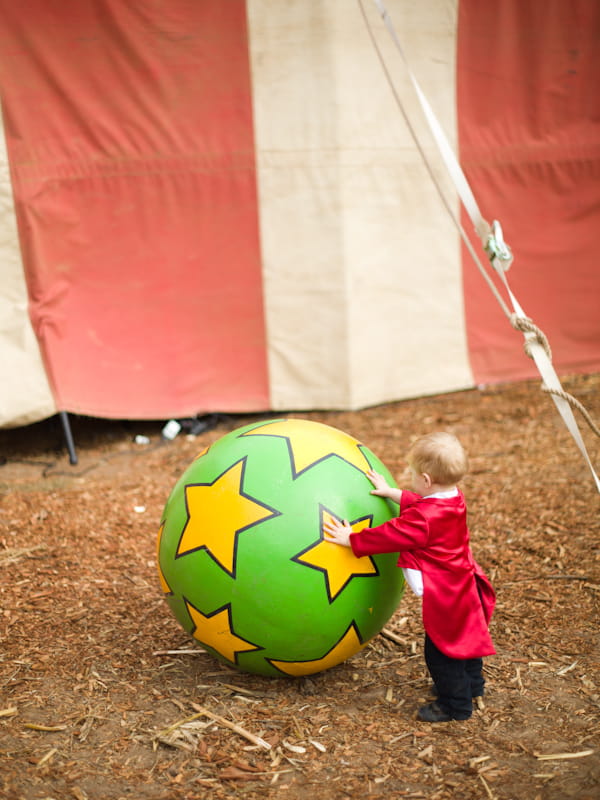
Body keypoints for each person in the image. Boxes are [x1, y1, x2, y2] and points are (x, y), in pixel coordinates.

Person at [323, 431, 495, 723]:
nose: (412, 480)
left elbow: (393, 534)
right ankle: (473, 686)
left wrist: (352, 538)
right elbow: (425, 506)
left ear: (426, 480)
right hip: (465, 586)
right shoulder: (454, 499)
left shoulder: (424, 519)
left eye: (414, 476)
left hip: (448, 596)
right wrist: (394, 493)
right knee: (465, 640)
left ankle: (456, 706)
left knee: (441, 654)